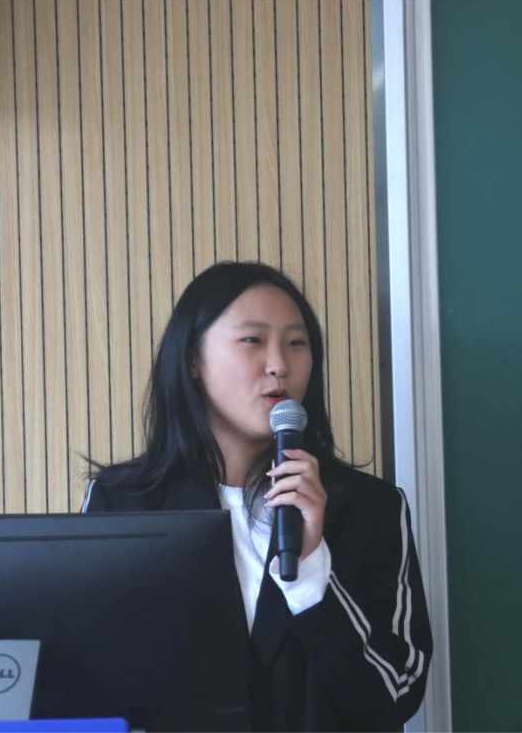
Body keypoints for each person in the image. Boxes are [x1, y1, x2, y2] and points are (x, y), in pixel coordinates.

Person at [82, 262, 432, 732]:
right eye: (253, 340)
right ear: (192, 359)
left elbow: (398, 695)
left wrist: (312, 570)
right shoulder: (122, 501)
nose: (279, 365)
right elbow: (88, 680)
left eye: (296, 343)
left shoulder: (371, 508)